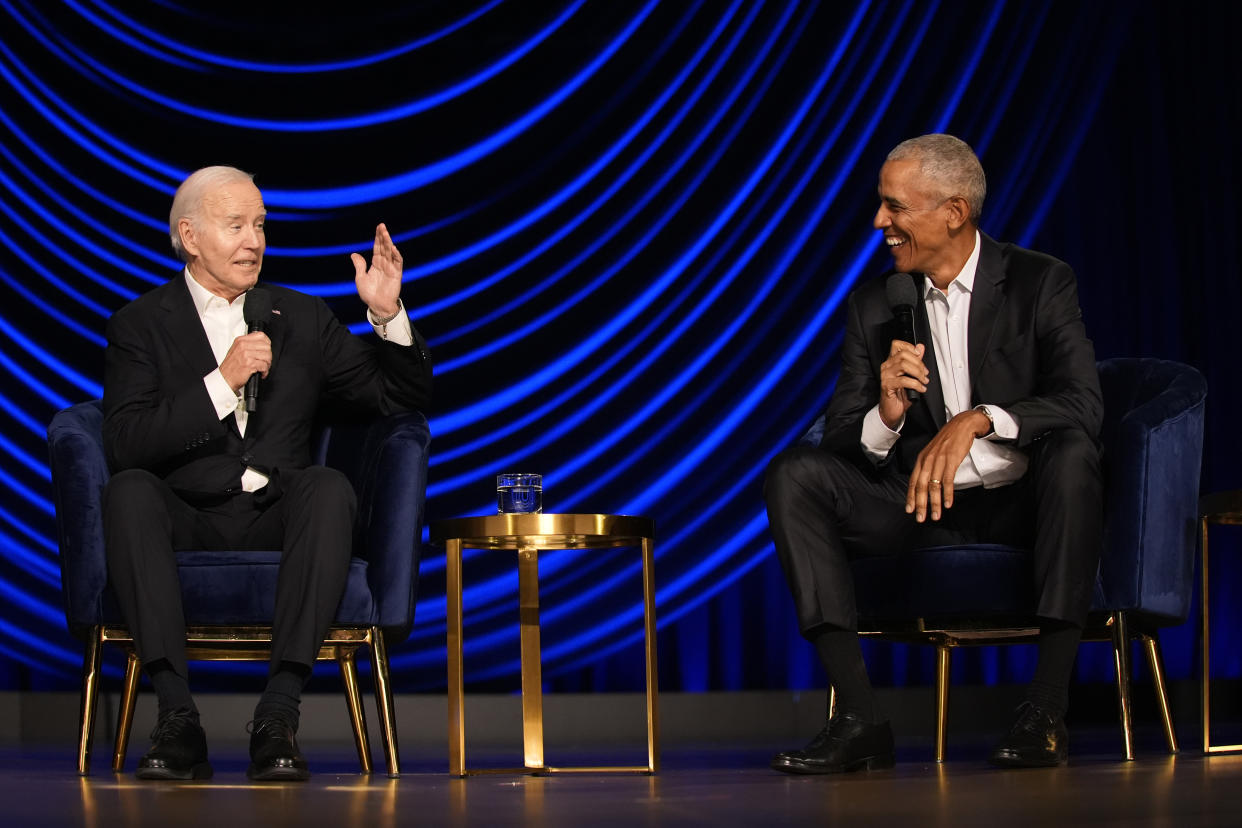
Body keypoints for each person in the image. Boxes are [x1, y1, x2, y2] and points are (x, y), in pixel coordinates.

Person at [764, 134, 1102, 773]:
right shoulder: (875, 306)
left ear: (953, 212)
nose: (879, 223)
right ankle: (859, 717)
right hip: (916, 505)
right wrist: (886, 414)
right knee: (794, 476)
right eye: (880, 206)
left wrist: (977, 420)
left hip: (1019, 502)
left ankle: (1045, 711)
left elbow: (1082, 402)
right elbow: (841, 438)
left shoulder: (1039, 281)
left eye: (895, 208)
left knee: (1075, 455)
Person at [101, 166, 432, 781]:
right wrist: (221, 382)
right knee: (127, 491)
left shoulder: (301, 317)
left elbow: (399, 399)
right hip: (187, 520)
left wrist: (387, 317)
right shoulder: (140, 325)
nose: (254, 240)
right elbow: (125, 443)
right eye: (235, 226)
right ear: (190, 236)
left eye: (259, 225)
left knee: (329, 487)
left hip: (280, 519)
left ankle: (277, 717)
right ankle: (177, 719)